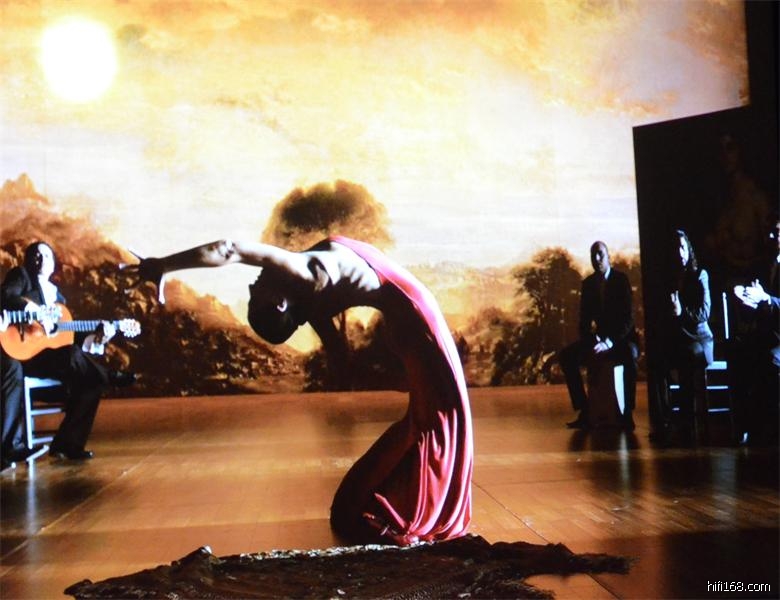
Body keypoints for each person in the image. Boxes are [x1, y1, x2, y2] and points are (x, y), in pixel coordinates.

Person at [128, 236, 473, 546]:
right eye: (255, 297)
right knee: (425, 428)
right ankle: (428, 505)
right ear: (280, 303)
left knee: (429, 423)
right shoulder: (305, 274)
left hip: (416, 320)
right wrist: (163, 265)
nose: (252, 285)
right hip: (417, 321)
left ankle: (428, 504)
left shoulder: (309, 293)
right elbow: (228, 249)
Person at [0, 241, 135, 461]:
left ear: (54, 263)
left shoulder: (59, 299)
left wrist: (98, 337)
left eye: (47, 256)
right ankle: (109, 375)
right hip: (25, 355)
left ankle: (67, 445)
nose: (42, 260)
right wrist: (36, 312)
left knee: (91, 381)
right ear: (28, 260)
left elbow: (67, 336)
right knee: (77, 360)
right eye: (36, 255)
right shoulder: (22, 276)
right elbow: (5, 295)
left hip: (50, 359)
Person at [557, 241, 639, 430]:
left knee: (630, 355)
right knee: (567, 356)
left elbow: (628, 319)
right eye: (593, 255)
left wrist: (608, 342)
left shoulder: (621, 280)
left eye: (600, 254)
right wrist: (592, 340)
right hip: (599, 339)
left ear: (608, 256)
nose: (596, 258)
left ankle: (627, 413)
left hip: (621, 339)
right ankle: (585, 410)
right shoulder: (588, 284)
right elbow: (584, 322)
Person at [654, 230, 714, 441]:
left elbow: (704, 312)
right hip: (679, 340)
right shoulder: (669, 279)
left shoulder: (700, 275)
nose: (679, 253)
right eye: (675, 249)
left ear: (688, 249)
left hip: (700, 340)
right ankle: (665, 421)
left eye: (682, 247)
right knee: (657, 363)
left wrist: (682, 312)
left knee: (686, 358)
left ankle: (686, 422)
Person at [731, 218, 779, 445]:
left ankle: (769, 427)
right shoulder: (761, 266)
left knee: (770, 359)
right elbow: (750, 313)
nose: (771, 237)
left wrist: (766, 298)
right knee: (738, 354)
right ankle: (746, 427)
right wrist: (745, 299)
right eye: (770, 232)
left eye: (776, 232)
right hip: (763, 334)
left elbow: (769, 301)